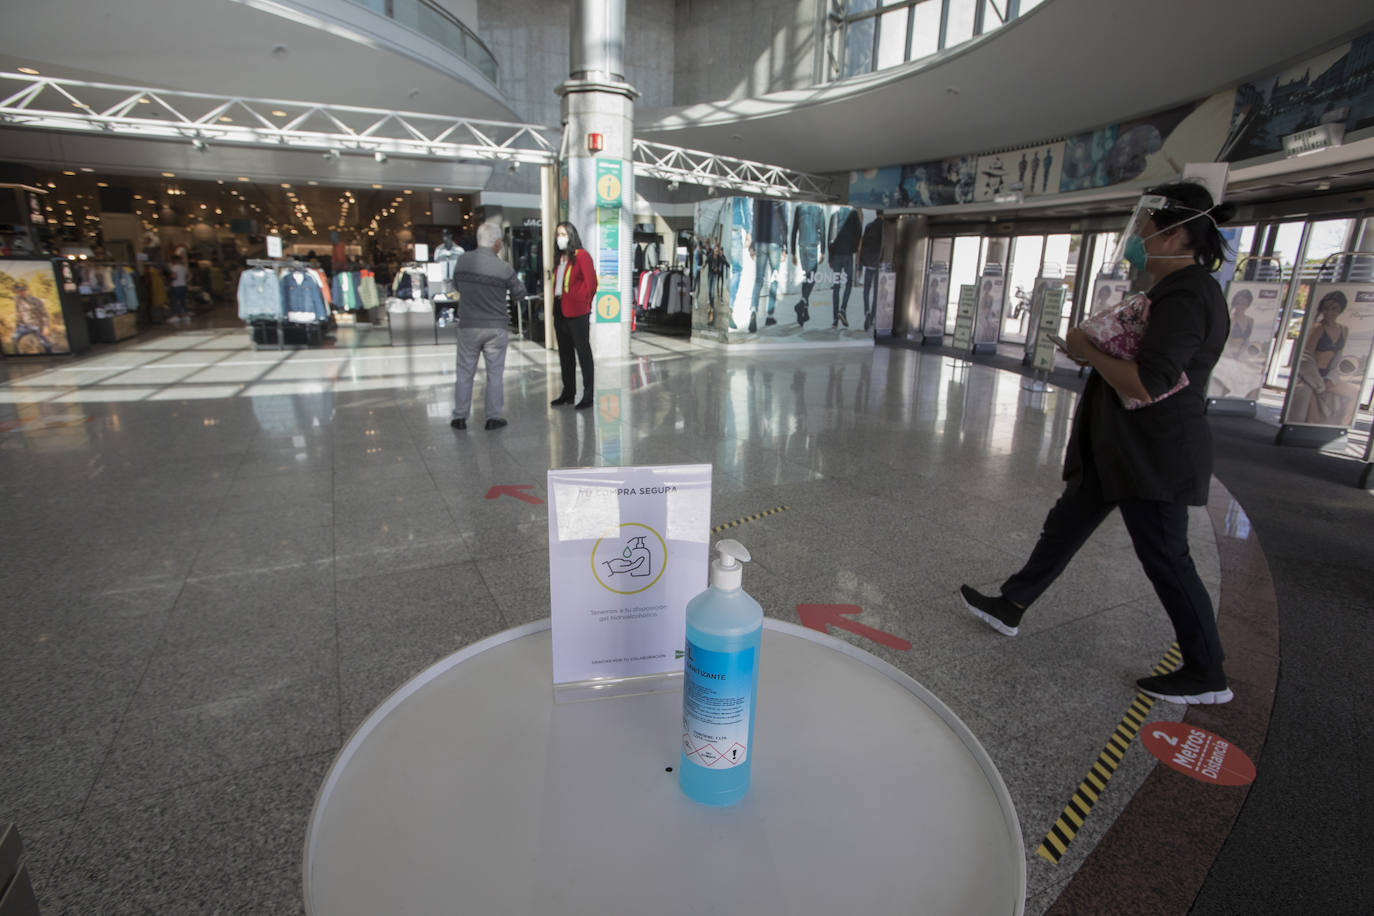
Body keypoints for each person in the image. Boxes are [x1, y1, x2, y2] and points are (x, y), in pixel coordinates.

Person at [960, 181, 1239, 706]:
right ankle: (1012, 605)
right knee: (1065, 525)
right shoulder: (1171, 289)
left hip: (1153, 457)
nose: (1135, 237)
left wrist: (1088, 349)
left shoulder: (1189, 295)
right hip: (1119, 450)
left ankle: (1208, 672)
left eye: (1145, 228)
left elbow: (1146, 383)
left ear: (1177, 236)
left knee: (1167, 558)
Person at [449, 221, 525, 431]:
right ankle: (493, 417)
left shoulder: (463, 261)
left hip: (468, 326)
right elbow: (519, 293)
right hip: (495, 328)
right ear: (498, 243)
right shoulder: (504, 268)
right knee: (494, 374)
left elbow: (457, 286)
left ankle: (460, 417)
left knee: (464, 372)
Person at [549, 221, 597, 410]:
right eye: (558, 234)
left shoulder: (582, 256)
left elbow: (591, 283)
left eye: (563, 234)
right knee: (565, 354)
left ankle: (588, 395)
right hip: (560, 309)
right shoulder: (560, 258)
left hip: (578, 312)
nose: (560, 237)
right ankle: (568, 393)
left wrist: (584, 302)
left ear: (571, 235)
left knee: (583, 353)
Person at [169, 255, 189, 323]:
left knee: (175, 301)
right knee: (183, 301)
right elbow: (187, 276)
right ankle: (186, 315)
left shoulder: (174, 267)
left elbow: (174, 276)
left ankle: (175, 316)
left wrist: (171, 279)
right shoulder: (183, 267)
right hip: (183, 286)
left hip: (176, 286)